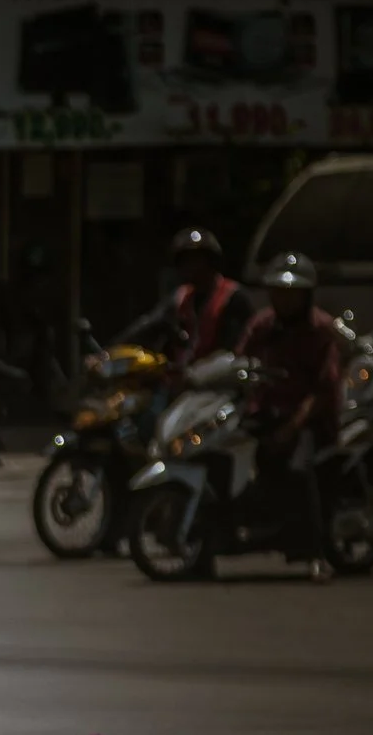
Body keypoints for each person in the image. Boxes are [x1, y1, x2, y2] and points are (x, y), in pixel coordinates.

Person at [237, 252, 346, 580]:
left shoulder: (322, 329)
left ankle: (317, 553)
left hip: (310, 418)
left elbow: (323, 389)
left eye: (291, 292)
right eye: (278, 291)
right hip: (267, 411)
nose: (283, 298)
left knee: (301, 468)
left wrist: (292, 426)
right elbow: (239, 361)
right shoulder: (261, 325)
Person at [116, 227, 254, 367]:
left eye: (198, 259)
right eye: (186, 261)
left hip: (219, 380)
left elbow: (236, 348)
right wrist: (113, 351)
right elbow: (149, 324)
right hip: (180, 377)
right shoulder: (180, 298)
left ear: (212, 261)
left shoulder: (233, 297)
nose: (192, 267)